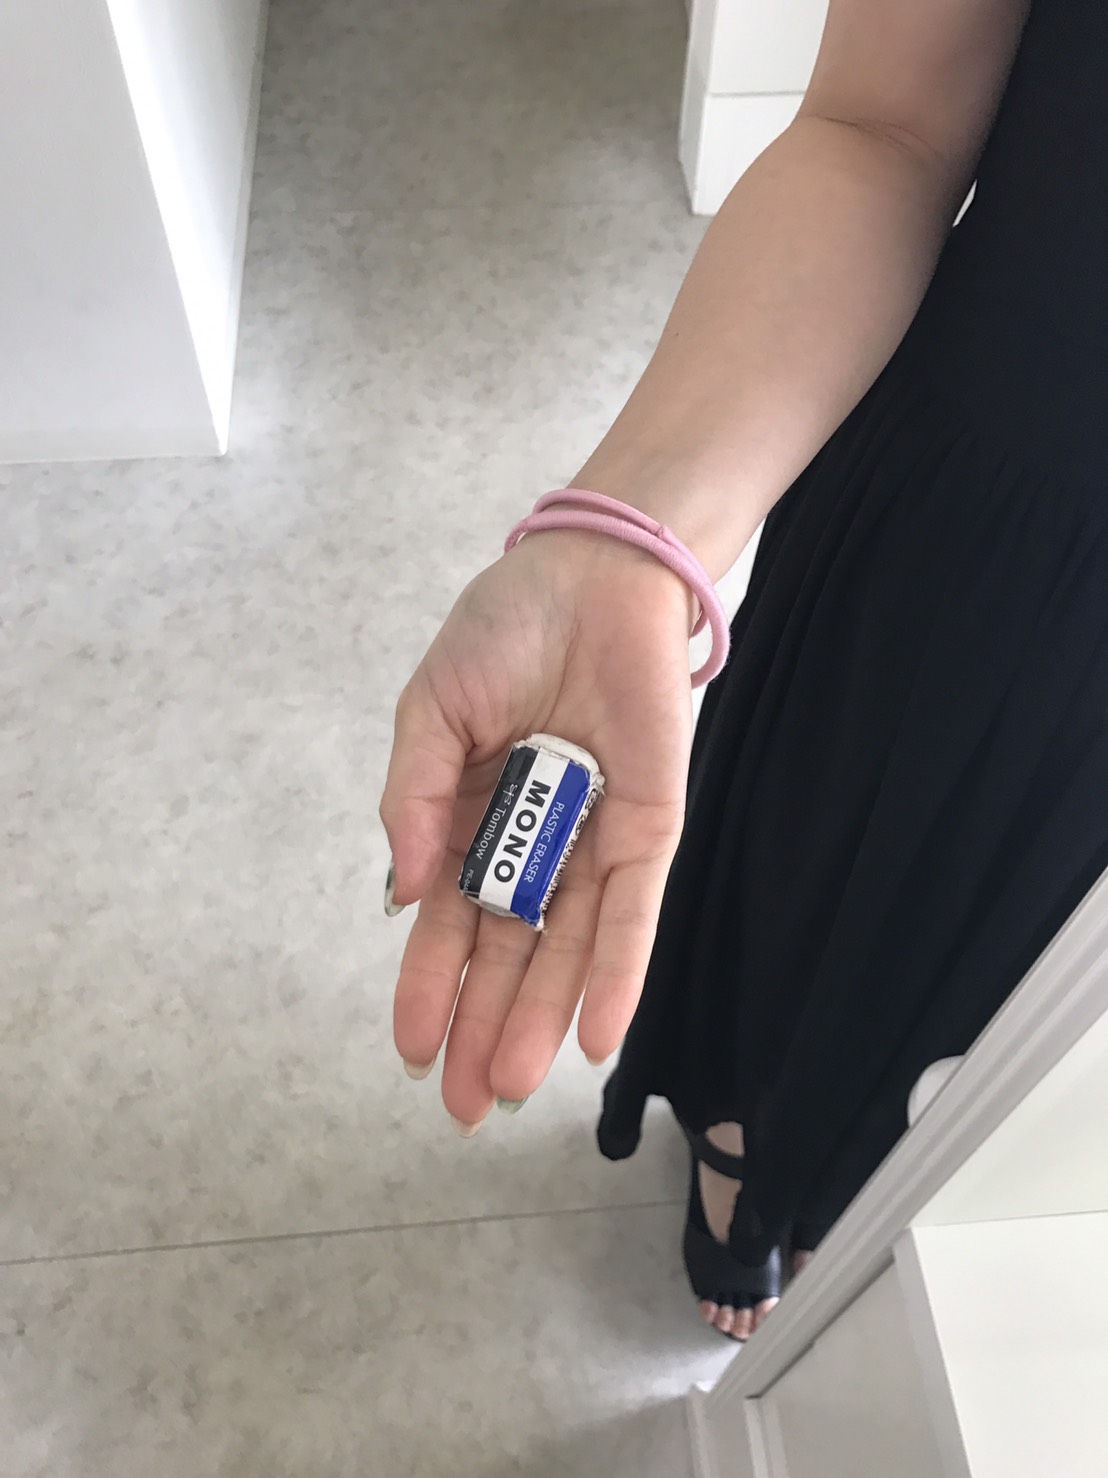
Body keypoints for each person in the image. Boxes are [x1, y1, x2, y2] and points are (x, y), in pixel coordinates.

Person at [381, 0, 1108, 1342]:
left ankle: (845, 1180)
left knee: (999, 1056)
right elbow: (881, 126)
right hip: (963, 570)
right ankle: (741, 1151)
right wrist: (626, 537)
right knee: (803, 905)